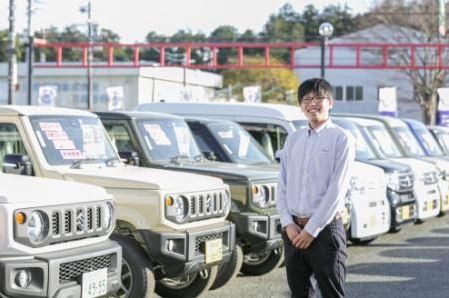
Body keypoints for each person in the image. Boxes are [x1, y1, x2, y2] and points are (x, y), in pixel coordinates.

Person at [277, 78, 355, 298]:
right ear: (301, 105)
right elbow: (282, 184)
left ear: (330, 102)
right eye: (306, 99)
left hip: (325, 232)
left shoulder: (342, 138)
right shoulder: (293, 139)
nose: (312, 103)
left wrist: (311, 230)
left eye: (319, 98)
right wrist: (288, 224)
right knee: (299, 294)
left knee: (332, 293)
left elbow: (337, 191)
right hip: (293, 231)